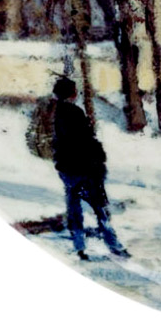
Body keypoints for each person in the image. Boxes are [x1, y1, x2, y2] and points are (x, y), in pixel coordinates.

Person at [46, 77, 129, 261]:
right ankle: (114, 245)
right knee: (100, 208)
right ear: (71, 93)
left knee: (74, 208)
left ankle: (80, 247)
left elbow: (61, 143)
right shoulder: (75, 112)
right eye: (74, 90)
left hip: (68, 169)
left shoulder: (57, 113)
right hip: (85, 169)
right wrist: (98, 159)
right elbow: (85, 141)